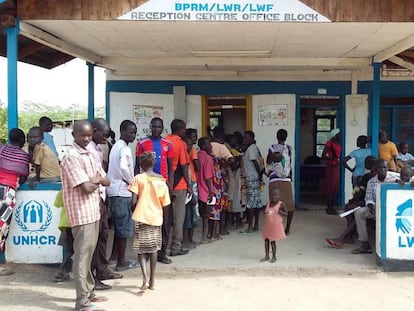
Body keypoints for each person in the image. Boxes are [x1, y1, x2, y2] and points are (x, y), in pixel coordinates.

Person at [60, 120, 110, 311]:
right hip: (81, 213)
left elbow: (106, 180)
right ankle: (81, 302)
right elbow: (87, 187)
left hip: (93, 211)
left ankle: (89, 292)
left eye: (89, 135)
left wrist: (95, 179)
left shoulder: (90, 152)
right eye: (83, 135)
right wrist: (96, 179)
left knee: (88, 255)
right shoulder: (71, 156)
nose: (87, 138)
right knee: (81, 257)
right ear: (74, 135)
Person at [88, 118, 123, 290]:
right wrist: (102, 180)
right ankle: (93, 279)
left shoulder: (97, 148)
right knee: (93, 240)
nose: (105, 136)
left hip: (100, 197)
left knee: (103, 235)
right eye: (103, 132)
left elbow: (101, 175)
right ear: (94, 130)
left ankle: (102, 270)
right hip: (91, 200)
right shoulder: (86, 151)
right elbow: (94, 177)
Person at [129, 152, 171, 291]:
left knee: (141, 249)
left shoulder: (138, 178)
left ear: (141, 165)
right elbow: (165, 204)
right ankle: (153, 280)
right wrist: (163, 218)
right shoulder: (161, 181)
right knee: (153, 249)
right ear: (154, 164)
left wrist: (134, 209)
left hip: (141, 216)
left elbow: (133, 201)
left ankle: (145, 278)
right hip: (155, 217)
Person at [135, 117, 174, 264]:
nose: (157, 129)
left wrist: (170, 185)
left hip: (162, 185)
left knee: (164, 220)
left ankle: (162, 253)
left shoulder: (167, 144)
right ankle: (146, 252)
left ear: (163, 128)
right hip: (146, 186)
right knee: (146, 220)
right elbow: (136, 167)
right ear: (150, 127)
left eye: (159, 127)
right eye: (155, 127)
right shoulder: (142, 143)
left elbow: (171, 167)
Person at [325, 155, 377, 249]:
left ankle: (344, 237)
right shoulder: (370, 177)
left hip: (367, 203)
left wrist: (354, 200)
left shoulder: (369, 177)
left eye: (367, 163)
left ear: (372, 166)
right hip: (367, 202)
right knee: (351, 208)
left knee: (352, 208)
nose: (365, 165)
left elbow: (361, 194)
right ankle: (348, 236)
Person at [107, 120, 138, 272]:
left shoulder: (115, 147)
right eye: (131, 132)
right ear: (123, 131)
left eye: (135, 133)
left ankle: (113, 257)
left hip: (114, 191)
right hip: (121, 191)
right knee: (124, 228)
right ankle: (121, 262)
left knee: (119, 227)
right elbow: (124, 167)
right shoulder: (124, 148)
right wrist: (132, 182)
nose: (133, 135)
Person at [0, 128, 30, 276]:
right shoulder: (23, 156)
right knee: (1, 226)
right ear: (22, 140)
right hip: (8, 192)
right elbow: (23, 178)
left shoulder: (1, 148)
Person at [351, 159, 396, 254]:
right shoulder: (371, 181)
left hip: (392, 209)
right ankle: (365, 244)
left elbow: (408, 176)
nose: (383, 170)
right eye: (380, 168)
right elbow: (369, 197)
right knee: (359, 213)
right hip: (376, 208)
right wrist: (371, 206)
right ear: (376, 169)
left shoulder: (394, 178)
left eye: (384, 167)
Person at [165, 119, 191, 256]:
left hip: (164, 184)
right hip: (179, 184)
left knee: (165, 218)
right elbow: (184, 166)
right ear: (180, 129)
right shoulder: (181, 144)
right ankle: (176, 247)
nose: (185, 131)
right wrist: (189, 186)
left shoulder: (164, 141)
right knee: (178, 218)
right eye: (184, 129)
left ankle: (164, 246)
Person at [266, 129, 295, 235]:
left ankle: (273, 227)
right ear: (286, 137)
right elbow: (289, 163)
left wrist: (273, 157)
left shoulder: (272, 148)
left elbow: (268, 161)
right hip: (286, 178)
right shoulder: (289, 149)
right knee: (289, 205)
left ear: (277, 136)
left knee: (273, 204)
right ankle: (287, 228)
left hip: (274, 178)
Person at [209, 126, 234, 239]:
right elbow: (231, 159)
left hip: (207, 178)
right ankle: (218, 231)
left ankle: (209, 232)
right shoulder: (222, 147)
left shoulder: (207, 145)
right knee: (219, 205)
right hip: (218, 179)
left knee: (209, 204)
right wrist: (223, 166)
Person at [241, 130, 263, 233]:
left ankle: (250, 227)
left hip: (251, 177)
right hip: (254, 177)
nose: (244, 140)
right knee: (256, 203)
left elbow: (255, 163)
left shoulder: (250, 149)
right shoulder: (254, 148)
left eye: (246, 138)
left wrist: (258, 175)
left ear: (251, 138)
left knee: (250, 204)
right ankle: (256, 225)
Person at [261, 187, 287, 263]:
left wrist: (280, 212)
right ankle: (266, 256)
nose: (274, 197)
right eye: (272, 195)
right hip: (268, 226)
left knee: (272, 242)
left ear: (279, 195)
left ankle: (274, 257)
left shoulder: (281, 204)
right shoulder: (269, 203)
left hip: (274, 227)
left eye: (276, 195)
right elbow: (265, 210)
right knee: (266, 241)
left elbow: (286, 213)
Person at [196, 137, 215, 243]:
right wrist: (211, 191)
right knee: (206, 216)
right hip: (205, 190)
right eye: (208, 144)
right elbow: (208, 177)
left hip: (197, 189)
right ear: (203, 146)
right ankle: (204, 237)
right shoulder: (208, 158)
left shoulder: (197, 155)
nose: (211, 146)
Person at [53, 190, 74, 282]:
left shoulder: (63, 191)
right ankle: (62, 271)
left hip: (65, 224)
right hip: (76, 223)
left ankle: (64, 271)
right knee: (75, 250)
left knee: (71, 250)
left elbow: (57, 204)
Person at [183, 135, 199, 249]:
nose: (188, 146)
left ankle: (189, 239)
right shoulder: (189, 153)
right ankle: (185, 240)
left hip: (191, 182)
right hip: (187, 184)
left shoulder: (190, 151)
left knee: (192, 212)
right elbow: (197, 166)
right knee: (187, 213)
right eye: (186, 144)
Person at [321, 128, 341, 215]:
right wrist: (333, 158)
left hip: (336, 166)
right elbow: (323, 156)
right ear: (335, 135)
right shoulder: (329, 143)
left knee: (335, 188)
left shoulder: (338, 144)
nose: (340, 135)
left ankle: (332, 207)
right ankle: (329, 208)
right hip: (331, 167)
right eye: (339, 134)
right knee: (331, 188)